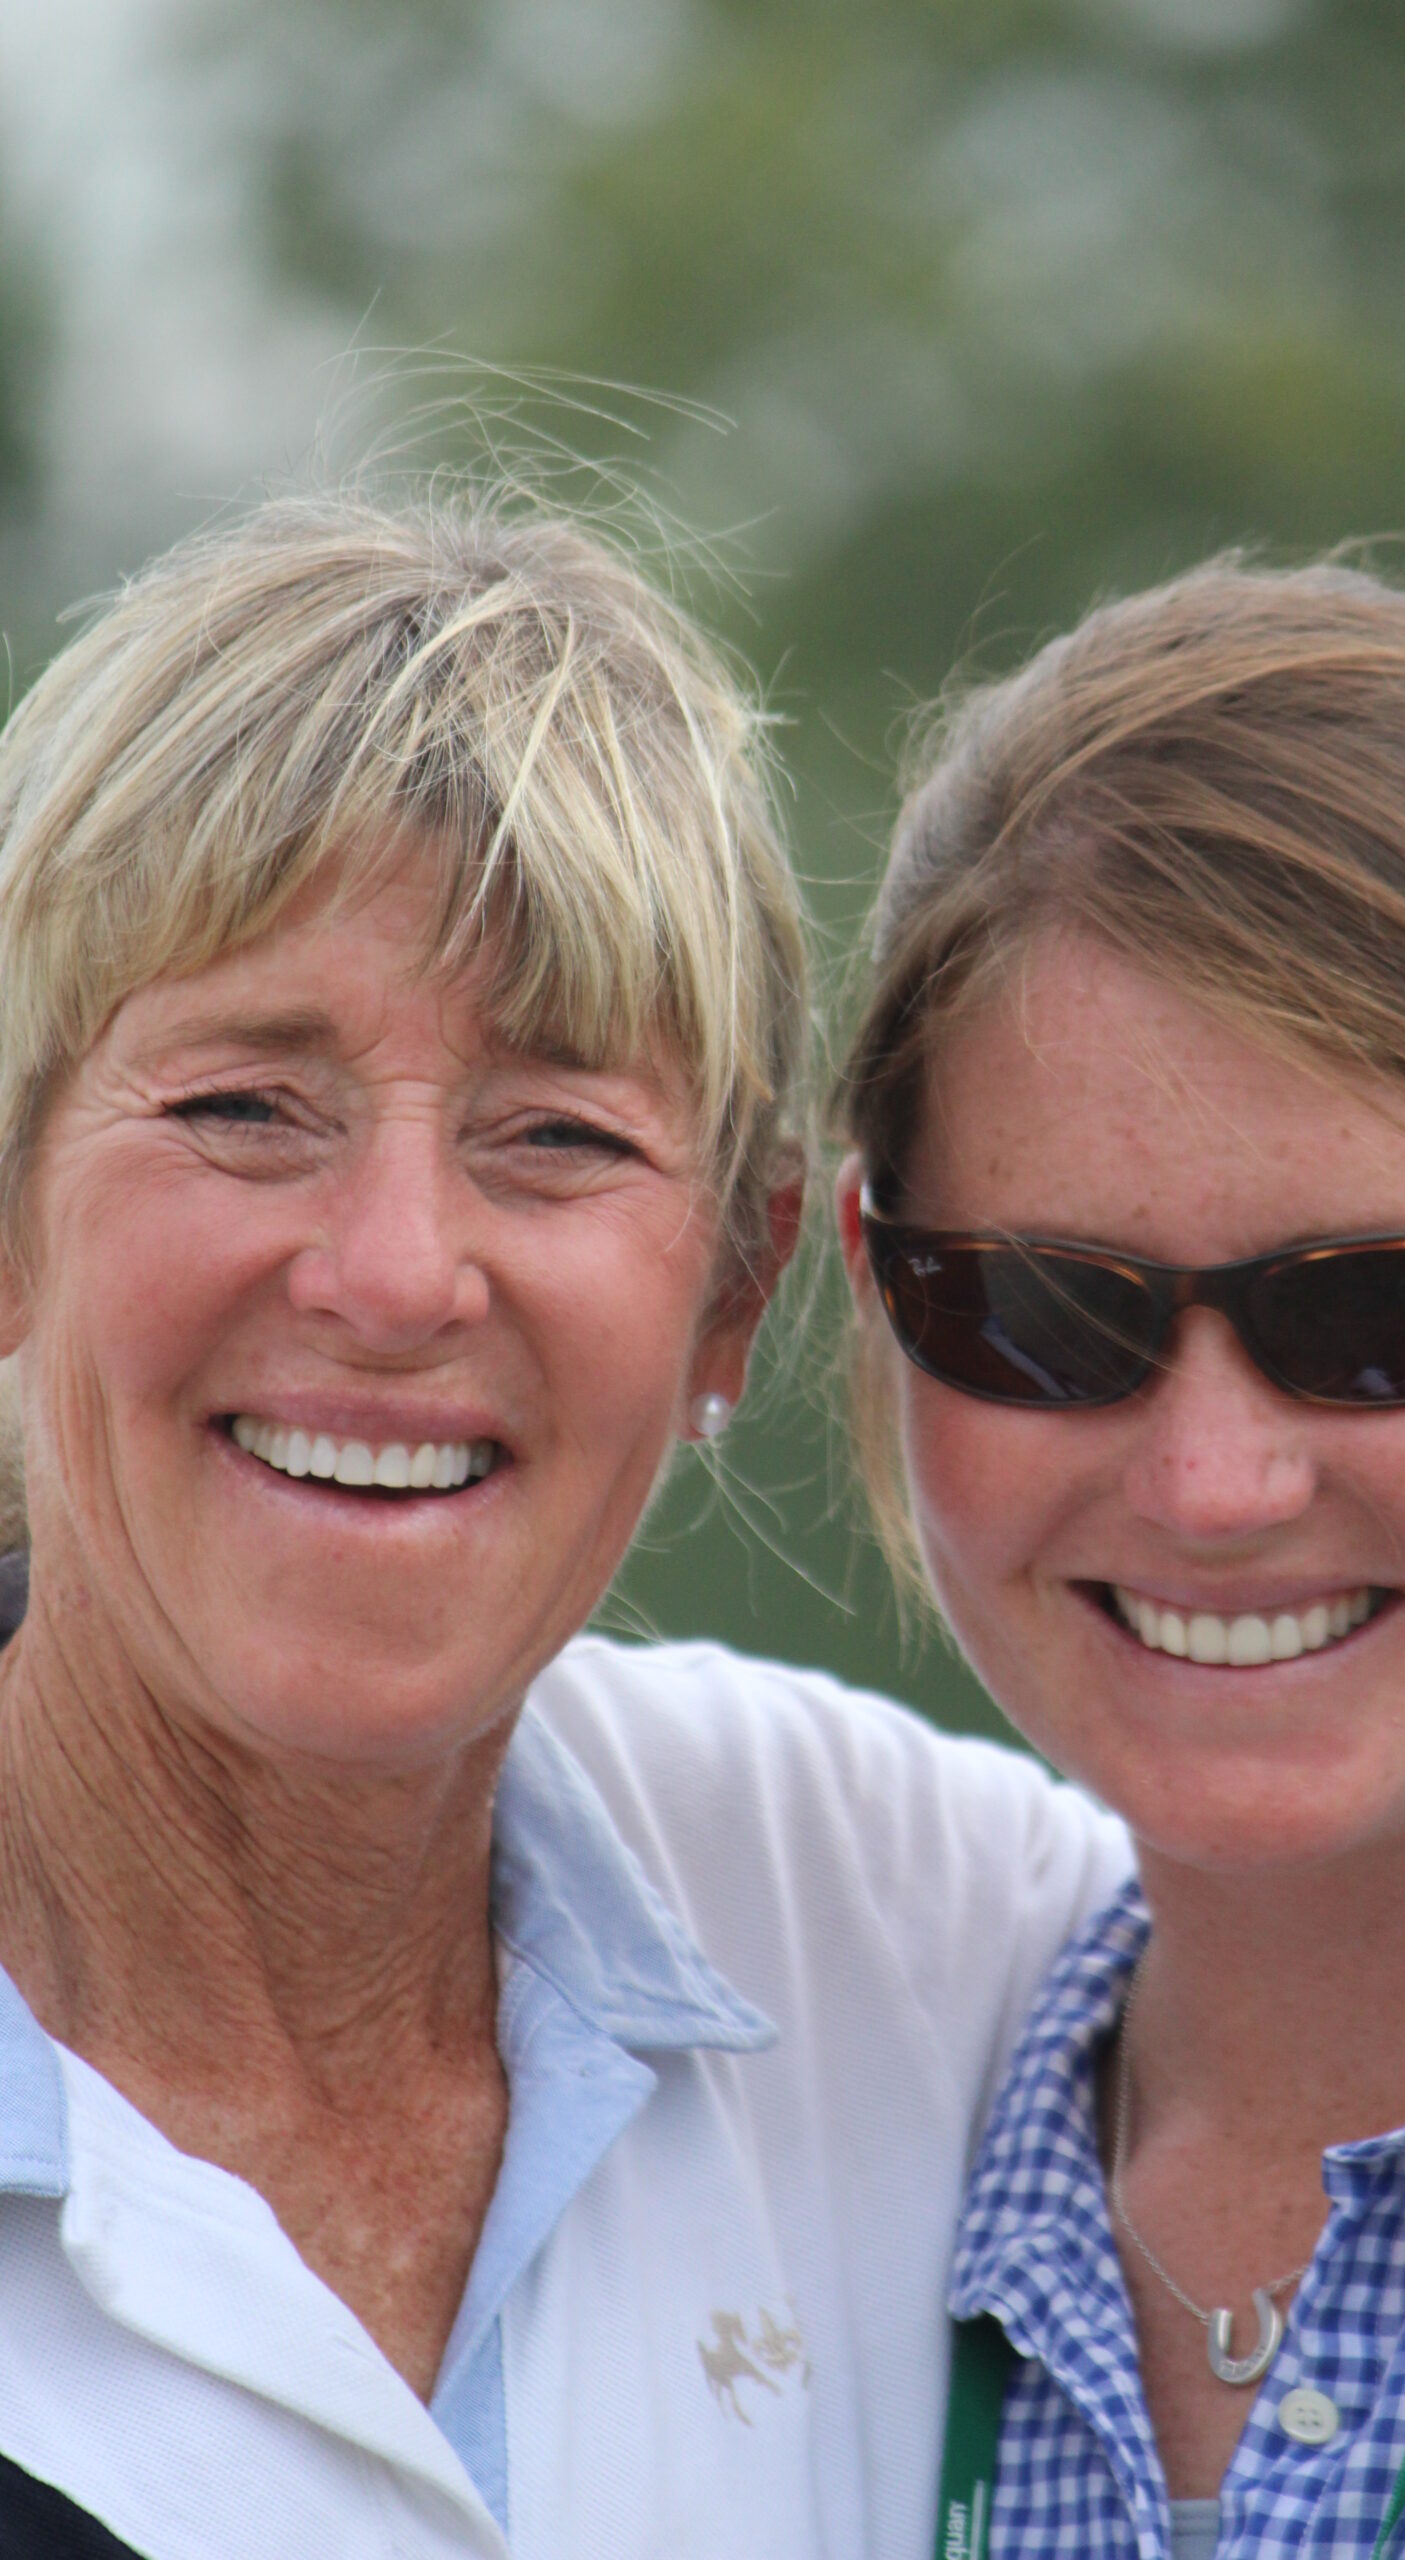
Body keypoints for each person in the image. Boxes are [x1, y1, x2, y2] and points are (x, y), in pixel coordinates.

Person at [0, 489, 1129, 2560]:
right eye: (247, 1104)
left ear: (737, 1287)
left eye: (556, 1134)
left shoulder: (897, 1922)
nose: (400, 1269)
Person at [835, 558, 1405, 2557]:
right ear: (883, 1303)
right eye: (1052, 1311)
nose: (1213, 1479)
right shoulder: (790, 2178)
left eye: (1385, 1311)